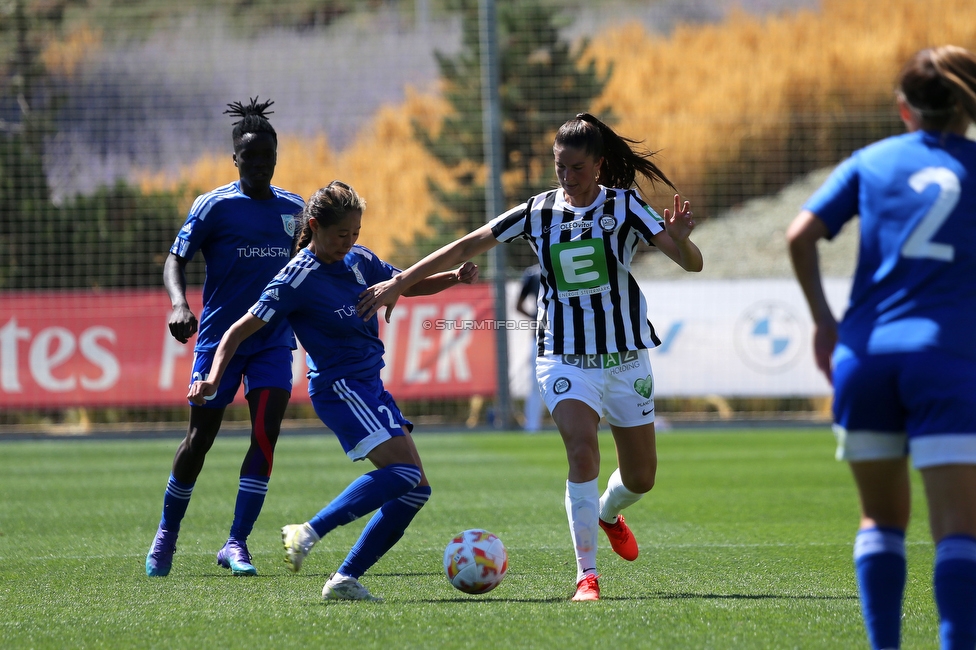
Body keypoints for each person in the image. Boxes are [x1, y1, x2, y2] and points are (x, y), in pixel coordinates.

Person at [358, 113, 702, 601]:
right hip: (562, 357)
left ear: (599, 166)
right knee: (582, 449)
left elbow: (690, 263)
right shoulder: (537, 211)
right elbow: (466, 243)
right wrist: (400, 281)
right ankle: (587, 576)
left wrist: (684, 241)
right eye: (560, 166)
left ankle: (607, 513)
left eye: (577, 167)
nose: (567, 177)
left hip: (626, 360)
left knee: (642, 478)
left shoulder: (626, 207)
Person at [188, 181, 478, 601]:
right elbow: (236, 331)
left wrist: (452, 277)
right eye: (342, 234)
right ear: (315, 226)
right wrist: (214, 378)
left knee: (417, 490)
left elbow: (404, 284)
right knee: (404, 474)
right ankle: (307, 532)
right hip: (340, 387)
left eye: (356, 232)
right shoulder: (295, 277)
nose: (350, 241)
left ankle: (344, 579)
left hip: (369, 385)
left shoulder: (359, 260)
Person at [786, 46, 976, 650]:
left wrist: (823, 321)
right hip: (948, 360)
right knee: (957, 534)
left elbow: (800, 234)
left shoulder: (870, 160)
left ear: (904, 110)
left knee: (881, 521)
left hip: (865, 359)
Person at [146, 97, 306, 577]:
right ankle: (167, 534)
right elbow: (175, 258)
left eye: (267, 158)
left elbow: (311, 270)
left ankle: (236, 543)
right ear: (234, 158)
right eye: (249, 157)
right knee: (201, 438)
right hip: (219, 342)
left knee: (265, 435)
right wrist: (179, 303)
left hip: (273, 340)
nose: (259, 165)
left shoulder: (296, 211)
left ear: (276, 159)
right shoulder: (213, 206)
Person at [514, 264, 544, 432]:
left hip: (571, 337)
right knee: (535, 383)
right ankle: (532, 427)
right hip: (540, 337)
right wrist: (535, 317)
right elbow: (518, 304)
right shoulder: (533, 273)